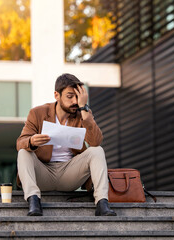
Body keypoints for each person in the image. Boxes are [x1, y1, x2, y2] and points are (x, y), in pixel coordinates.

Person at [16, 73, 116, 216]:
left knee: (97, 150)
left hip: (70, 173)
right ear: (57, 95)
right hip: (43, 172)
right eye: (70, 96)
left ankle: (102, 203)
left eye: (77, 97)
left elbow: (95, 142)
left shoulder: (82, 114)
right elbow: (20, 142)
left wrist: (85, 112)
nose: (75, 101)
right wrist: (31, 141)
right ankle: (33, 201)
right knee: (23, 152)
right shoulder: (37, 113)